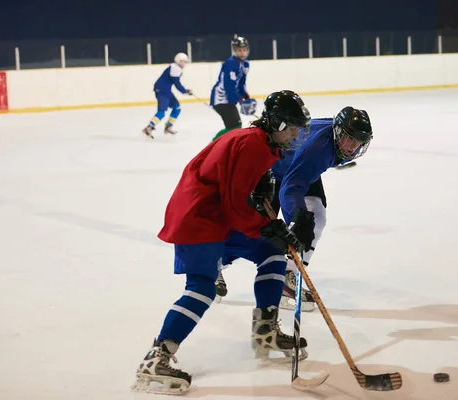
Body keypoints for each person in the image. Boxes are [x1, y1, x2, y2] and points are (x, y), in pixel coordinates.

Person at [132, 90, 313, 395]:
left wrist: (268, 227)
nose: (296, 134)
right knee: (201, 288)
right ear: (277, 123)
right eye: (292, 128)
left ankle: (266, 330)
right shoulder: (253, 144)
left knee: (271, 253)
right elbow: (235, 205)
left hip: (214, 216)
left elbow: (237, 193)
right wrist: (268, 226)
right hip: (199, 218)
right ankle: (156, 358)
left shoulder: (261, 142)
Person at [215, 107, 374, 313]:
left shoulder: (334, 139)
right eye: (349, 140)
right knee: (253, 230)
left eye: (358, 142)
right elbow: (290, 189)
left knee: (316, 216)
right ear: (338, 133)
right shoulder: (317, 150)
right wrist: (296, 220)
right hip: (273, 169)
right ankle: (214, 265)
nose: (352, 147)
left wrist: (302, 221)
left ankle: (287, 276)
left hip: (298, 167)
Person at [210, 36, 258, 140]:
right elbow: (229, 87)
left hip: (229, 99)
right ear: (235, 51)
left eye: (244, 50)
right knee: (234, 126)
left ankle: (217, 146)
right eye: (239, 50)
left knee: (235, 126)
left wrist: (246, 97)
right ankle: (212, 146)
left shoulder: (245, 63)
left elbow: (241, 84)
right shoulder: (231, 63)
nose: (242, 53)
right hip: (220, 99)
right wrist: (240, 100)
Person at [142, 53, 193, 138]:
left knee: (177, 107)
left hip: (166, 90)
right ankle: (149, 127)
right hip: (162, 90)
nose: (184, 63)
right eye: (182, 61)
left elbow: (176, 83)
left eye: (185, 62)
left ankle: (168, 126)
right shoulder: (175, 68)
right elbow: (176, 83)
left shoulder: (176, 68)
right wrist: (185, 91)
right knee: (161, 112)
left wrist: (185, 90)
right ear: (177, 61)